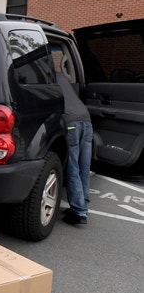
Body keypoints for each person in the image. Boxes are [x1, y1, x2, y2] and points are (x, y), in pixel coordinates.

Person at [56, 72, 93, 225]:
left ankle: (79, 212)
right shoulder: (61, 75)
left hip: (71, 122)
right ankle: (82, 203)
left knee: (72, 167)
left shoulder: (44, 75)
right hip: (86, 119)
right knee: (84, 167)